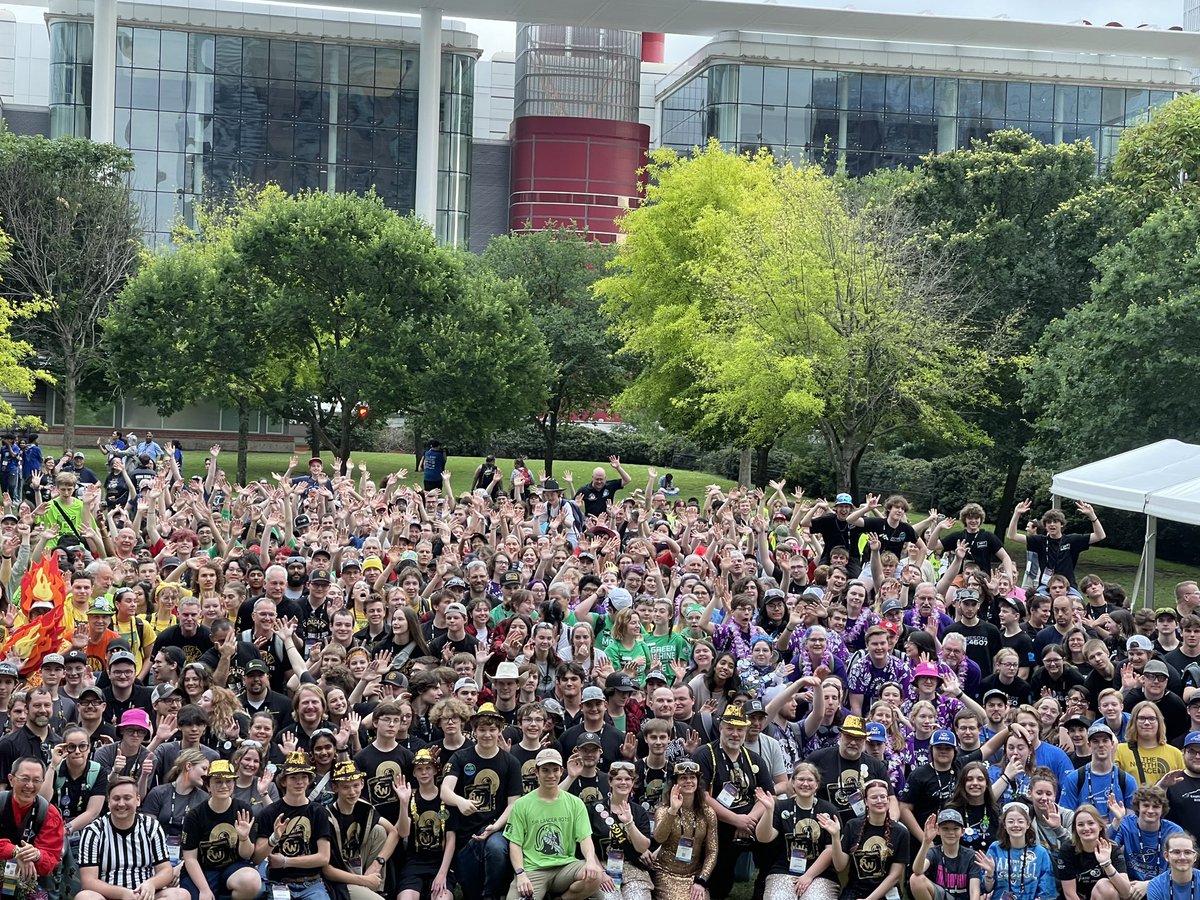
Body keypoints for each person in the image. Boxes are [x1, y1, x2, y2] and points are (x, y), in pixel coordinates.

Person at [502, 747, 603, 900]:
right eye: (545, 770)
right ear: (536, 772)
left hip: (566, 866)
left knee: (595, 875)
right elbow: (515, 844)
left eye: (555, 770)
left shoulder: (575, 803)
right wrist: (520, 873)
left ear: (561, 771)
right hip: (534, 869)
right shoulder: (522, 804)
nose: (551, 775)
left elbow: (585, 838)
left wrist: (590, 861)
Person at [77, 775, 190, 900]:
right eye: (116, 798)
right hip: (108, 895)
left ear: (138, 800)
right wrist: (123, 893)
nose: (121, 803)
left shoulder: (151, 826)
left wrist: (151, 884)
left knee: (181, 895)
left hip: (144, 895)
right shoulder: (93, 831)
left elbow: (166, 870)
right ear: (108, 802)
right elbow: (88, 881)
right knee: (85, 897)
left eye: (127, 798)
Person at [753, 762, 839, 900]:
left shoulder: (828, 810)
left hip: (819, 874)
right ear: (793, 783)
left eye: (810, 780)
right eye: (800, 779)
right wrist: (769, 811)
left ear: (817, 784)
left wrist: (808, 876)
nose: (805, 784)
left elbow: (830, 849)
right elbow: (764, 838)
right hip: (784, 871)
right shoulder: (781, 807)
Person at [179, 759, 263, 900]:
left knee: (251, 880)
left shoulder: (243, 809)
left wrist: (243, 838)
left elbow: (247, 855)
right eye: (218, 781)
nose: (224, 786)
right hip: (202, 870)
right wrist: (204, 890)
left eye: (228, 781)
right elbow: (190, 859)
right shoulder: (194, 815)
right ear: (208, 786)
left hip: (232, 868)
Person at [253, 751, 332, 900]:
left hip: (312, 884)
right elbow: (257, 858)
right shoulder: (269, 813)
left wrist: (285, 861)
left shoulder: (319, 812)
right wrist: (274, 839)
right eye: (293, 777)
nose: (299, 782)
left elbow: (323, 857)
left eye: (304, 777)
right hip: (278, 883)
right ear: (283, 781)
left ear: (309, 780)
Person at [817, 778, 909, 900]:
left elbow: (895, 876)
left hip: (886, 892)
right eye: (874, 797)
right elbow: (840, 866)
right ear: (866, 801)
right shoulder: (852, 826)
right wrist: (835, 836)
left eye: (883, 797)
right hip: (856, 890)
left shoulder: (901, 832)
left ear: (888, 800)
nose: (879, 801)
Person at [652, 759, 719, 900]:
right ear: (675, 783)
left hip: (694, 875)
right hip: (666, 872)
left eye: (692, 777)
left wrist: (701, 880)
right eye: (683, 778)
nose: (688, 781)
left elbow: (712, 851)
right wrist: (673, 810)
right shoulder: (664, 810)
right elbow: (659, 838)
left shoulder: (708, 813)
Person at [977, 801, 1057, 900]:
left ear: (1028, 824)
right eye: (1010, 821)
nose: (1015, 825)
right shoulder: (995, 848)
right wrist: (989, 874)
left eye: (1020, 821)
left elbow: (1047, 891)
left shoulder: (1041, 853)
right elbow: (986, 889)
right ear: (1004, 825)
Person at [1055, 803, 1130, 900]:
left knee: (1105, 886)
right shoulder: (1067, 849)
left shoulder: (1112, 849)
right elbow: (1070, 894)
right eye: (1080, 824)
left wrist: (1106, 864)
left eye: (1091, 823)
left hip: (1102, 896)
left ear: (1100, 826)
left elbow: (1126, 892)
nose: (1086, 828)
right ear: (1075, 829)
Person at [910, 809, 982, 900]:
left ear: (962, 831)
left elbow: (974, 891)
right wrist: (926, 842)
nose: (951, 832)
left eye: (955, 829)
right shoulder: (934, 852)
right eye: (945, 828)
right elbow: (917, 870)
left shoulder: (971, 855)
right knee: (915, 879)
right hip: (942, 896)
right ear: (938, 830)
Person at [1143, 831, 1200, 900]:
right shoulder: (1156, 886)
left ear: (1194, 857)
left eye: (1187, 852)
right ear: (1166, 856)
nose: (1182, 857)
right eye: (1176, 852)